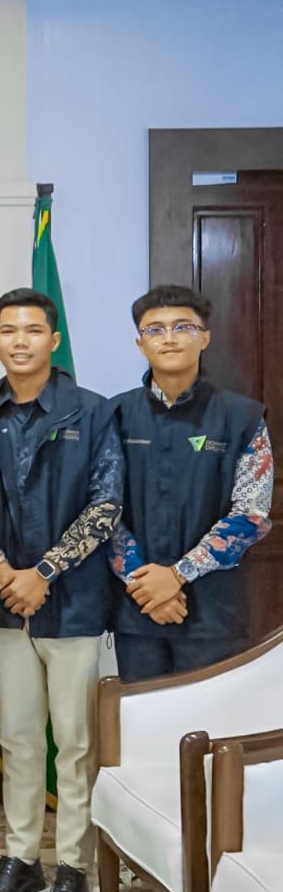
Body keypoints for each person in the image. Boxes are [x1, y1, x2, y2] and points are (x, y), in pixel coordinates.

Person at [0, 288, 123, 892]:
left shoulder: (93, 411)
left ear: (53, 340)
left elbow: (107, 503)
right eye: (8, 330)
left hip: (76, 604)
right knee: (16, 737)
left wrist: (47, 571)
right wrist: (4, 569)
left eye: (33, 330)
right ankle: (20, 856)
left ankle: (73, 866)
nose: (20, 340)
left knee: (75, 741)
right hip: (4, 602)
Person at [109, 284, 272, 682]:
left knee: (209, 731)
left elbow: (252, 514)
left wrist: (177, 575)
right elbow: (102, 509)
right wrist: (144, 583)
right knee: (142, 729)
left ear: (204, 337)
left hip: (212, 613)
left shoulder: (243, 417)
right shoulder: (113, 415)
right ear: (139, 342)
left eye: (183, 326)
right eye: (155, 329)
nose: (169, 337)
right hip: (138, 609)